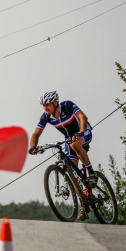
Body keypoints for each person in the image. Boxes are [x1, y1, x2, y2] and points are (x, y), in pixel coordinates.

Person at [28, 91, 96, 221]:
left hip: (83, 131)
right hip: (69, 139)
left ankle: (92, 174)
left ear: (55, 103)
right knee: (73, 174)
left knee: (75, 145)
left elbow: (82, 117)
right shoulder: (46, 116)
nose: (45, 108)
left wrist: (81, 132)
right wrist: (33, 146)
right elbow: (36, 134)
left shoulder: (67, 106)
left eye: (47, 104)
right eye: (43, 105)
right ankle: (84, 203)